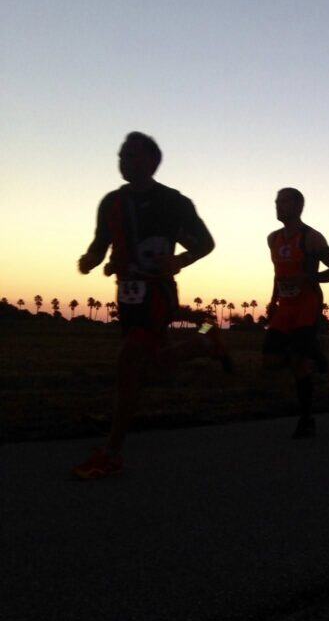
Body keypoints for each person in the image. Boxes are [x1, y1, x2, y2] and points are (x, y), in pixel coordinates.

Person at [72, 132, 229, 479]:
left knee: (128, 362)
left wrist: (179, 261)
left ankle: (111, 452)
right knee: (154, 365)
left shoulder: (173, 202)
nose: (123, 162)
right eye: (121, 156)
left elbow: (206, 243)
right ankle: (203, 340)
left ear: (152, 162)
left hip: (157, 293)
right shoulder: (111, 202)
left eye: (131, 155)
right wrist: (91, 259)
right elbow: (101, 242)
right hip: (126, 296)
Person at [263, 187, 329, 438]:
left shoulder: (311, 238)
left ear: (298, 206)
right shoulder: (273, 238)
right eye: (276, 201)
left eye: (283, 202)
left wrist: (309, 277)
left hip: (307, 304)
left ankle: (306, 419)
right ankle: (314, 353)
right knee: (270, 360)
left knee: (299, 363)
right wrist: (273, 300)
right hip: (285, 307)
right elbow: (278, 274)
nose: (277, 206)